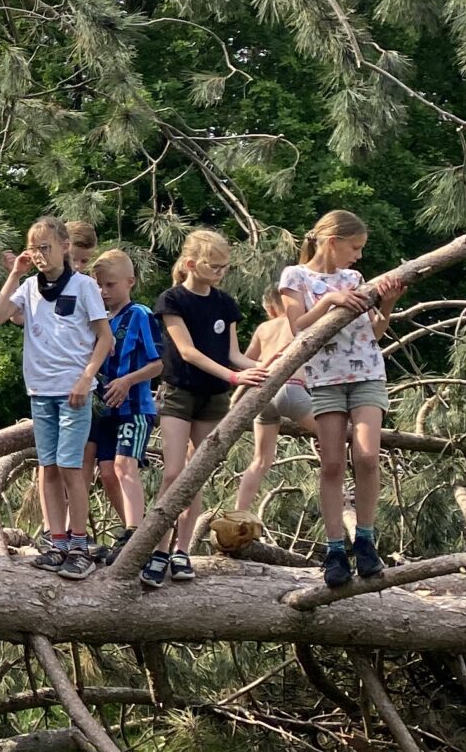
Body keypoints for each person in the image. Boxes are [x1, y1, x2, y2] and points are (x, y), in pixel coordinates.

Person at [279, 209, 399, 586]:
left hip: (367, 374)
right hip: (325, 380)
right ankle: (334, 549)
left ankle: (365, 540)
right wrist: (330, 300)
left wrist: (387, 304)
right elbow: (298, 327)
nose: (359, 256)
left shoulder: (355, 279)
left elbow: (372, 333)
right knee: (331, 463)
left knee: (366, 456)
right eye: (355, 247)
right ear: (332, 242)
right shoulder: (295, 277)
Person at [0, 217, 112, 577]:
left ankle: (79, 544)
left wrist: (86, 378)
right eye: (34, 248)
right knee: (49, 467)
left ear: (64, 247)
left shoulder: (84, 286)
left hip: (73, 391)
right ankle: (56, 542)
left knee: (71, 465)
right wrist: (16, 273)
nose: (40, 255)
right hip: (40, 391)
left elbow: (105, 338)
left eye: (46, 247)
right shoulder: (29, 287)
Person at [148, 229, 266, 584]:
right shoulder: (173, 300)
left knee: (196, 474)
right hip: (179, 393)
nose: (220, 272)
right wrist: (234, 377)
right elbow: (187, 352)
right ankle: (158, 550)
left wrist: (268, 370)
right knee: (174, 473)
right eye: (214, 266)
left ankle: (182, 551)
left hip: (213, 397)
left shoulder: (225, 303)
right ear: (190, 264)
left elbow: (234, 354)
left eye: (224, 267)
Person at [85, 248, 162, 558]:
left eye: (110, 285)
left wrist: (128, 380)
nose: (104, 292)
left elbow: (159, 363)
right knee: (106, 472)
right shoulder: (100, 320)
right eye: (99, 285)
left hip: (134, 407)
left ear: (130, 281)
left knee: (124, 465)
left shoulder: (140, 315)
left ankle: (135, 532)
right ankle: (130, 530)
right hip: (104, 408)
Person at [231, 286, 313, 520]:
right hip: (291, 389)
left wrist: (264, 364)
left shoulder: (264, 328)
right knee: (336, 437)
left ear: (269, 308)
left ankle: (238, 513)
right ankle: (344, 493)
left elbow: (242, 361)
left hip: (262, 395)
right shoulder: (303, 325)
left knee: (261, 460)